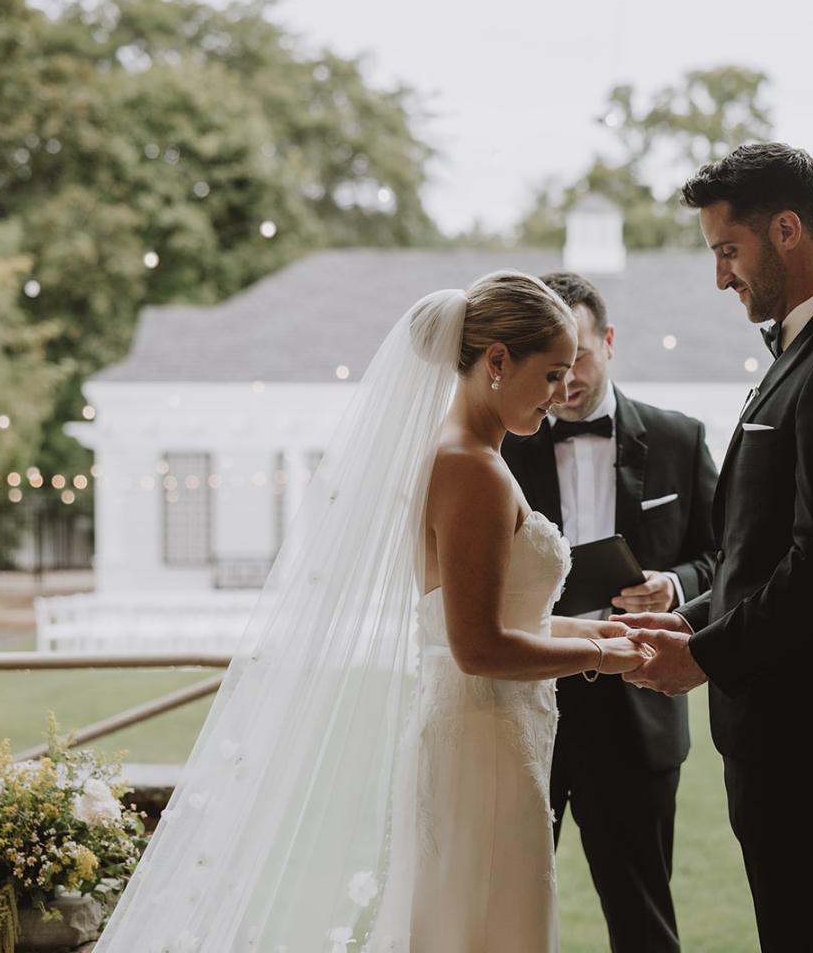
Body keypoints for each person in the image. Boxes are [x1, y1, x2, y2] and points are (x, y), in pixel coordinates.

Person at [94, 271, 649, 953]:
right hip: (485, 735)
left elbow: (499, 622)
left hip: (498, 730)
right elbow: (477, 648)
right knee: (482, 924)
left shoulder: (475, 457)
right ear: (498, 361)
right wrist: (600, 656)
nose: (562, 391)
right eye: (552, 371)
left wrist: (603, 629)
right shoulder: (468, 467)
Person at [618, 142, 813, 952]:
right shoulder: (810, 354)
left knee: (809, 932)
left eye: (728, 251)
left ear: (787, 229)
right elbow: (764, 550)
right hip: (785, 711)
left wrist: (707, 657)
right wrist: (697, 620)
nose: (722, 277)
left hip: (807, 718)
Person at [502, 272, 719, 953]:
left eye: (581, 360)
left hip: (638, 706)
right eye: (553, 366)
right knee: (507, 906)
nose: (565, 383)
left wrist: (675, 587)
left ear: (610, 341)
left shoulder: (678, 439)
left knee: (642, 916)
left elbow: (723, 554)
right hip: (524, 703)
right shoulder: (499, 449)